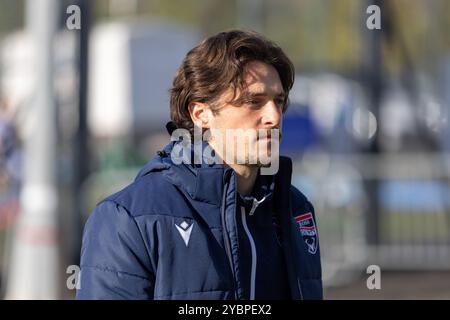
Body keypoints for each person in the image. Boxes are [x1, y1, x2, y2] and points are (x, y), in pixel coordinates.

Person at [76, 30, 322, 300]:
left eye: (279, 101)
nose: (274, 117)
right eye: (254, 101)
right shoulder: (129, 217)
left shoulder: (295, 209)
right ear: (201, 114)